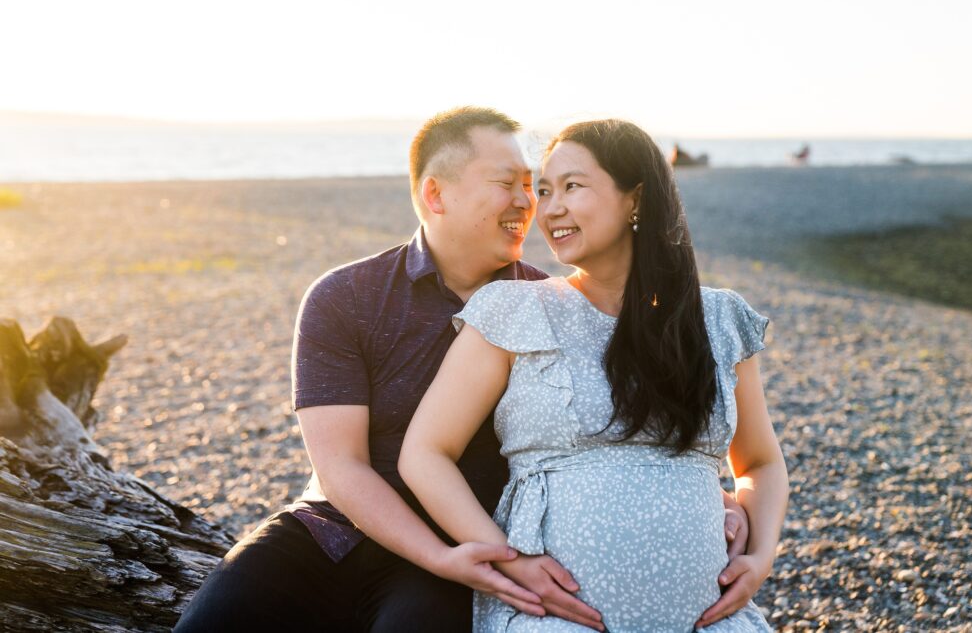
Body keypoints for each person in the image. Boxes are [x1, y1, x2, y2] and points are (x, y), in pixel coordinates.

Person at [175, 108, 751, 632]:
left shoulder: (555, 306)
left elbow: (612, 430)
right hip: (335, 531)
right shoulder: (346, 295)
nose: (531, 203)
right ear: (435, 193)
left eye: (536, 186)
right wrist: (443, 556)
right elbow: (341, 467)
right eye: (510, 185)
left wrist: (705, 496)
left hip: (466, 541)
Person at [400, 119, 788, 631]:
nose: (550, 207)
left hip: (711, 620)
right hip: (553, 618)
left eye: (572, 186)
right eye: (544, 190)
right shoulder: (514, 310)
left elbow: (759, 461)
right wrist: (506, 561)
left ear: (637, 199)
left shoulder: (717, 319)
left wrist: (759, 558)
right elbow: (425, 454)